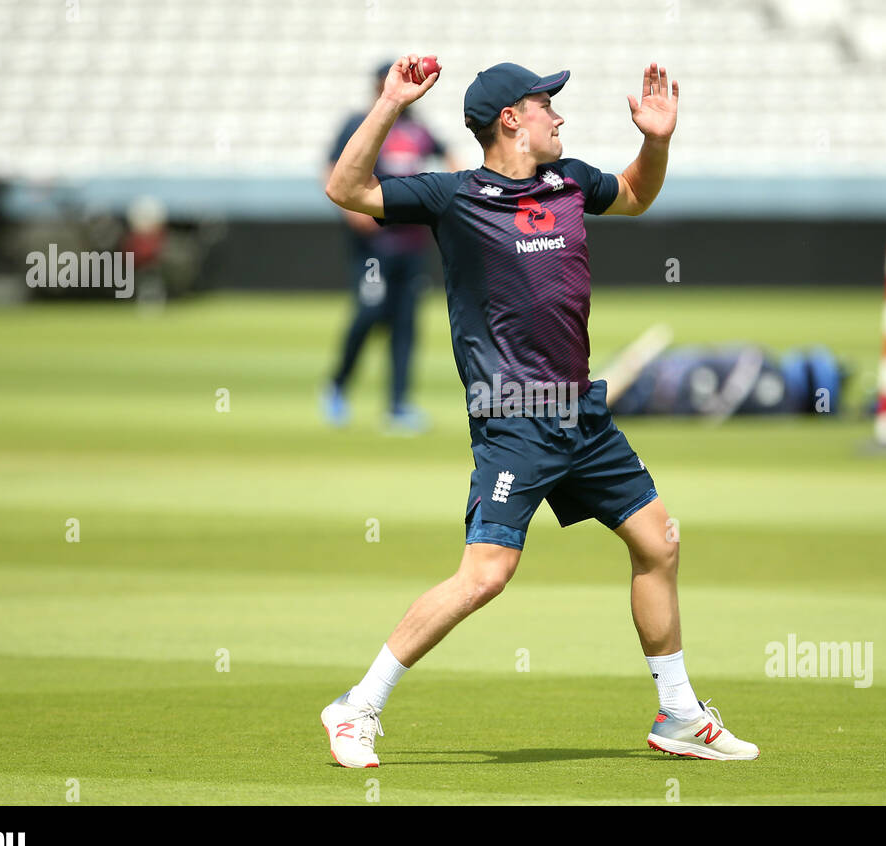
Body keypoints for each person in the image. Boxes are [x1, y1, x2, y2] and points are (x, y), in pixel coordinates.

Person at [321, 55, 759, 766]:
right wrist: (392, 104)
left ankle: (678, 712)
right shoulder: (452, 196)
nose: (559, 115)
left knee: (658, 542)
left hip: (582, 416)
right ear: (510, 121)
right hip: (513, 419)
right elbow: (346, 187)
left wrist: (656, 141)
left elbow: (636, 195)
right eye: (545, 104)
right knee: (485, 575)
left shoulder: (571, 180)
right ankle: (357, 705)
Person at [322, 62, 457, 434]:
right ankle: (337, 385)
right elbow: (331, 170)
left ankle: (397, 405)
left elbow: (451, 156)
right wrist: (353, 214)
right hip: (374, 247)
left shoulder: (417, 128)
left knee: (406, 324)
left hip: (411, 244)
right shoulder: (361, 123)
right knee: (369, 312)